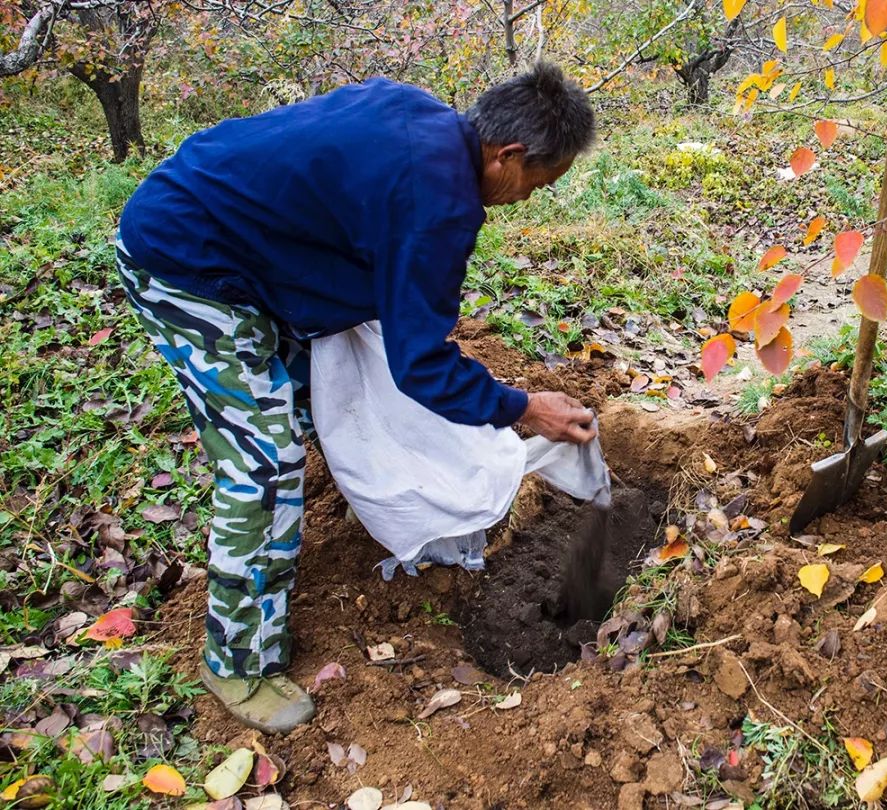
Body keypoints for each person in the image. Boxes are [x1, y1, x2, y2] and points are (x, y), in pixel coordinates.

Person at [115, 62, 597, 733]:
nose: (529, 198)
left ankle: (387, 506)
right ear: (507, 155)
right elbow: (422, 366)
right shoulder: (439, 204)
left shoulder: (417, 110)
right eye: (539, 184)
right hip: (185, 261)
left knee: (322, 396)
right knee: (264, 462)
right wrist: (522, 407)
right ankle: (238, 662)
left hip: (246, 245)